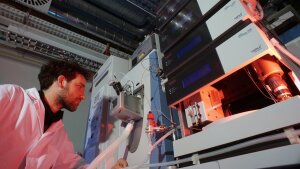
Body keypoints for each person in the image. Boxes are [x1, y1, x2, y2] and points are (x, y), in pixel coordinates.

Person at [0, 60, 90, 168]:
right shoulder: (12, 96)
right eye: (79, 86)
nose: (83, 96)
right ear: (61, 81)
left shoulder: (60, 136)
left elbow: (74, 165)